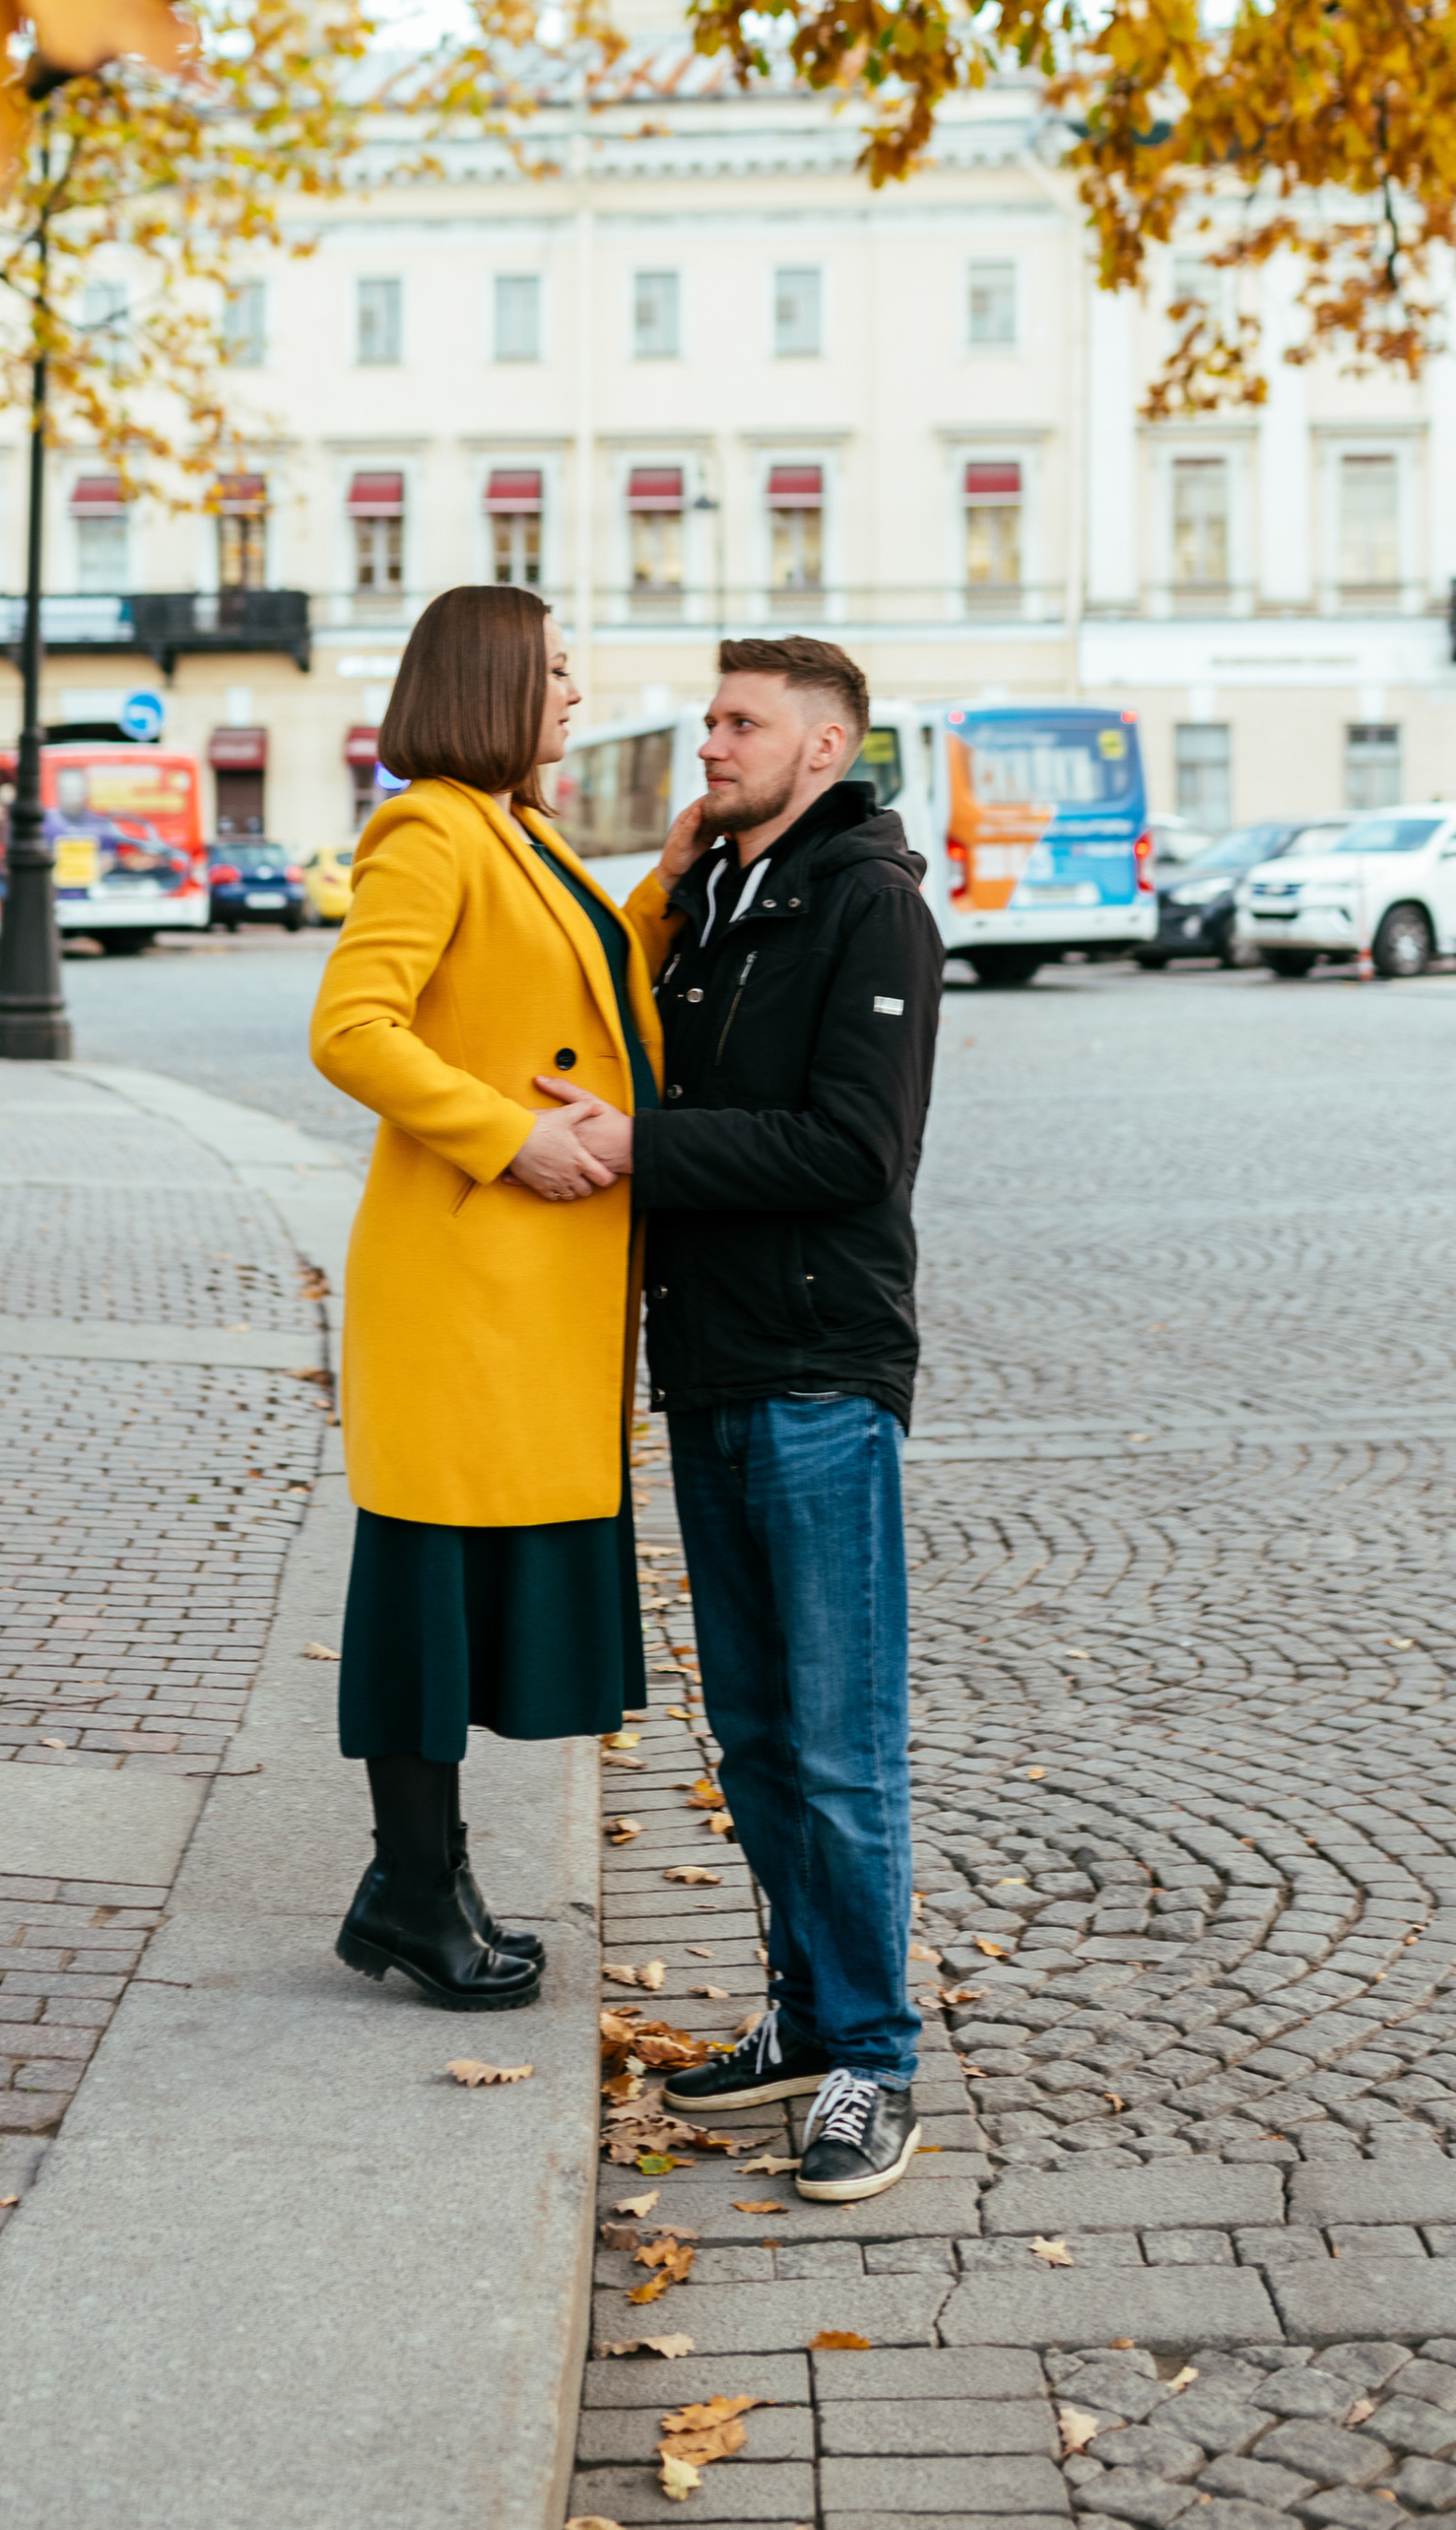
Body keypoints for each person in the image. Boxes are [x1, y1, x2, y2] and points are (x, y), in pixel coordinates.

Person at [542, 634, 942, 2204]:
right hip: (709, 1365)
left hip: (822, 1371)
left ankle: (875, 2061)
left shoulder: (869, 902)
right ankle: (806, 2012)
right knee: (759, 1737)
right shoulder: (719, 895)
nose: (708, 743)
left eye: (740, 722)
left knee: (840, 1747)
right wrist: (665, 878)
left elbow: (856, 1145)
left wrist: (641, 1143)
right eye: (710, 718)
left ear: (824, 746)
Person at [309, 582, 666, 2012]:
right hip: (464, 1285)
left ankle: (425, 1882)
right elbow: (351, 1025)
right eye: (557, 668)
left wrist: (664, 885)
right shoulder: (430, 828)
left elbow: (576, 992)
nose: (575, 691)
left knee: (453, 1596)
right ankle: (414, 1886)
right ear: (493, 683)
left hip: (520, 1293)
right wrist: (507, 1134)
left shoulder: (520, 830)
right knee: (423, 1597)